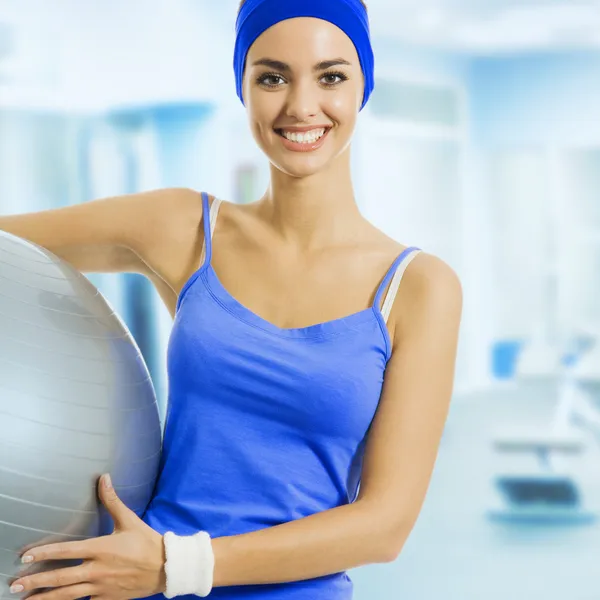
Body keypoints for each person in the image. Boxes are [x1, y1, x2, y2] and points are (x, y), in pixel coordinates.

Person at [1, 0, 463, 599]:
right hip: (137, 586)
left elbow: (384, 526)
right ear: (243, 88)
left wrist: (173, 565)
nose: (301, 106)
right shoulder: (183, 229)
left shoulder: (419, 288)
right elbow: (10, 245)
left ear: (362, 88)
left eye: (331, 76)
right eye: (272, 77)